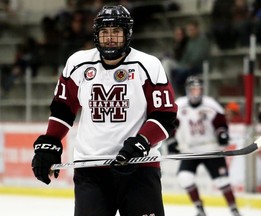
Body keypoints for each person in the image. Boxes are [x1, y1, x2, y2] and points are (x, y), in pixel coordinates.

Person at [31, 5, 178, 216]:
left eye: (116, 32)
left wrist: (142, 143)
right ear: (96, 34)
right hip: (90, 168)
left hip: (139, 166)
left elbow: (165, 115)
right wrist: (51, 141)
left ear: (127, 34)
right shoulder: (78, 63)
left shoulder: (148, 65)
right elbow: (63, 108)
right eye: (105, 32)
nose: (110, 38)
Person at [166, 76, 241, 216]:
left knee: (222, 181)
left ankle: (233, 209)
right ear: (187, 91)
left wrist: (222, 134)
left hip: (211, 149)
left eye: (199, 89)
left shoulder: (211, 104)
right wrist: (171, 141)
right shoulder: (179, 105)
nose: (196, 93)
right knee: (184, 177)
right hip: (191, 150)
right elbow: (171, 125)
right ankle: (199, 208)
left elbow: (220, 123)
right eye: (193, 89)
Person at [171, 19, 210, 96]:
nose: (190, 32)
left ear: (197, 29)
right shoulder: (189, 42)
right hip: (189, 66)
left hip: (200, 66)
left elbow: (199, 57)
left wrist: (186, 65)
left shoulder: (202, 40)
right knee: (174, 71)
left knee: (180, 74)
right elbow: (185, 57)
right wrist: (181, 65)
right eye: (189, 30)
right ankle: (179, 94)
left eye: (192, 30)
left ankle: (180, 95)